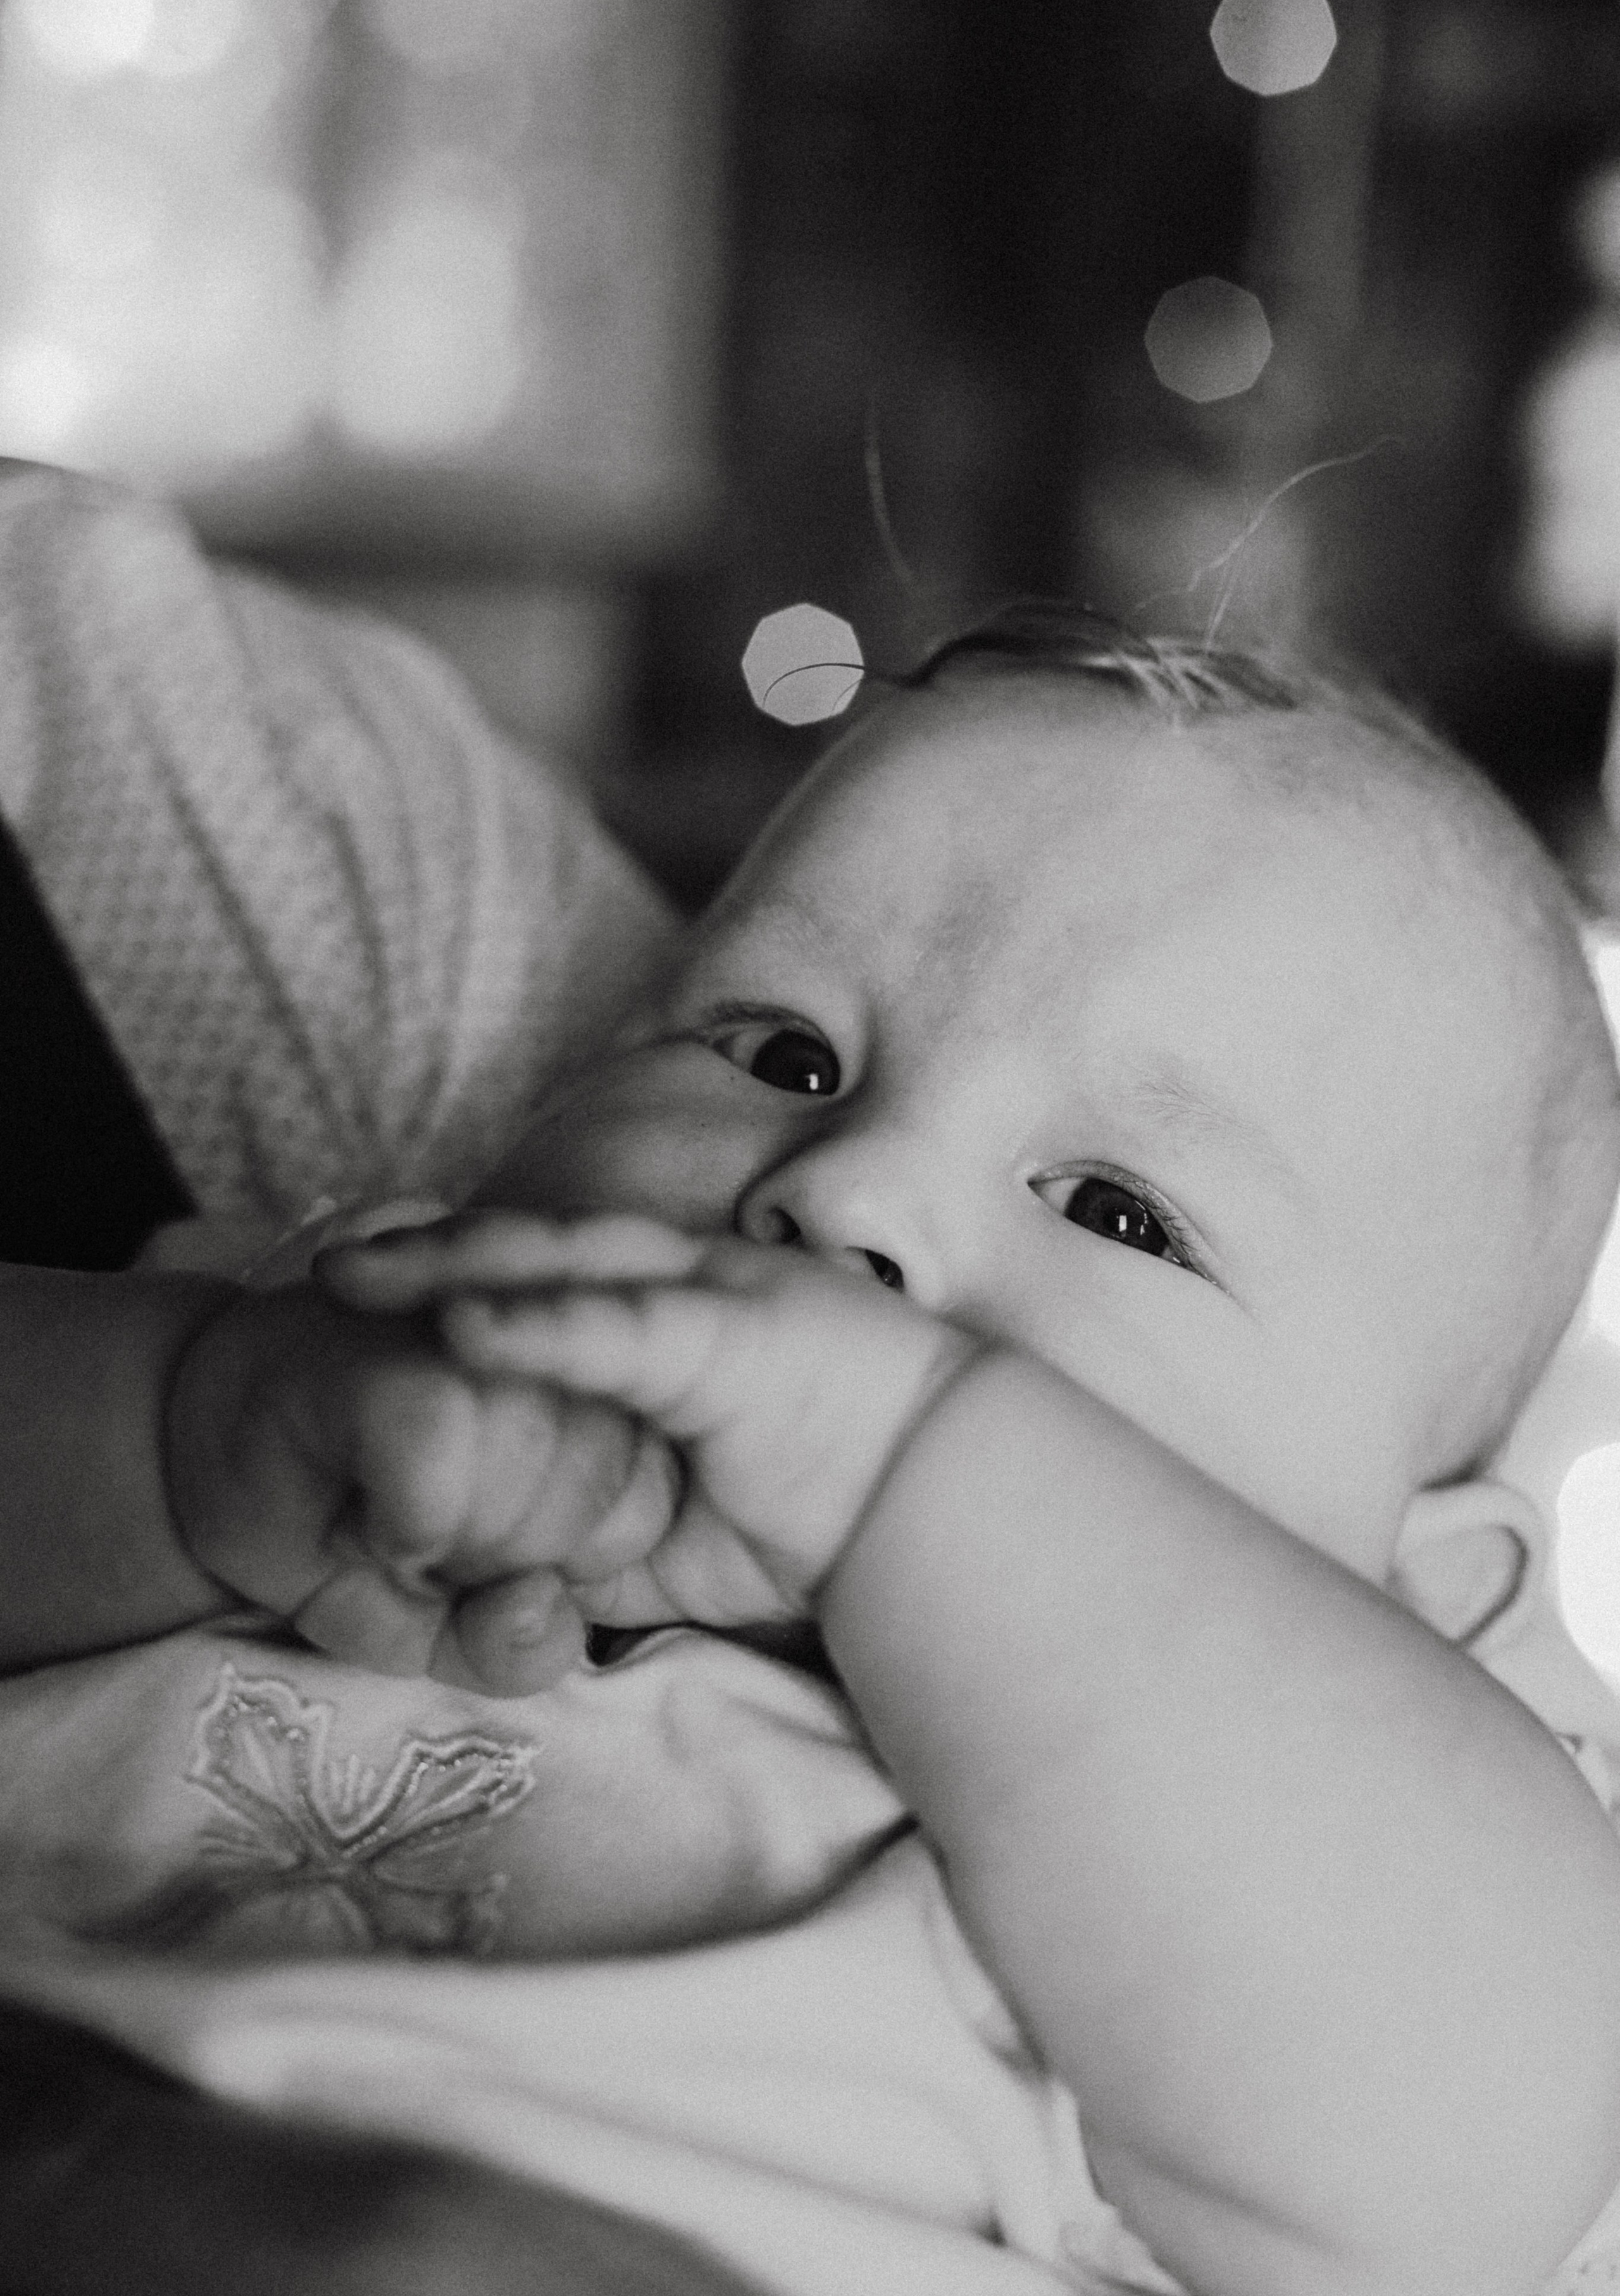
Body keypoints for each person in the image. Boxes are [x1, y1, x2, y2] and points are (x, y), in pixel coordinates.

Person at [5, 606, 1620, 2296]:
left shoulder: (1285, 1864)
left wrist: (905, 1458)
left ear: (1426, 1602)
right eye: (780, 1052)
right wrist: (189, 1436)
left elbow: (1475, 2154)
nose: (849, 1188)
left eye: (1122, 1212)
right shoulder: (326, 1354)